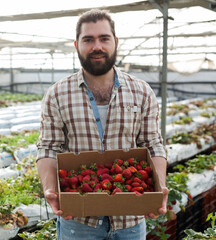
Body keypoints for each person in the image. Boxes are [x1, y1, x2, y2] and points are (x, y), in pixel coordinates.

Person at [36, 9, 168, 240]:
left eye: (104, 38)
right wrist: (50, 188)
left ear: (115, 42)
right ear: (76, 44)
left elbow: (152, 144)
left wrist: (158, 188)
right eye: (88, 39)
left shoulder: (141, 91)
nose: (97, 46)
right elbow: (49, 147)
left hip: (130, 219)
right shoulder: (57, 94)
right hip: (78, 220)